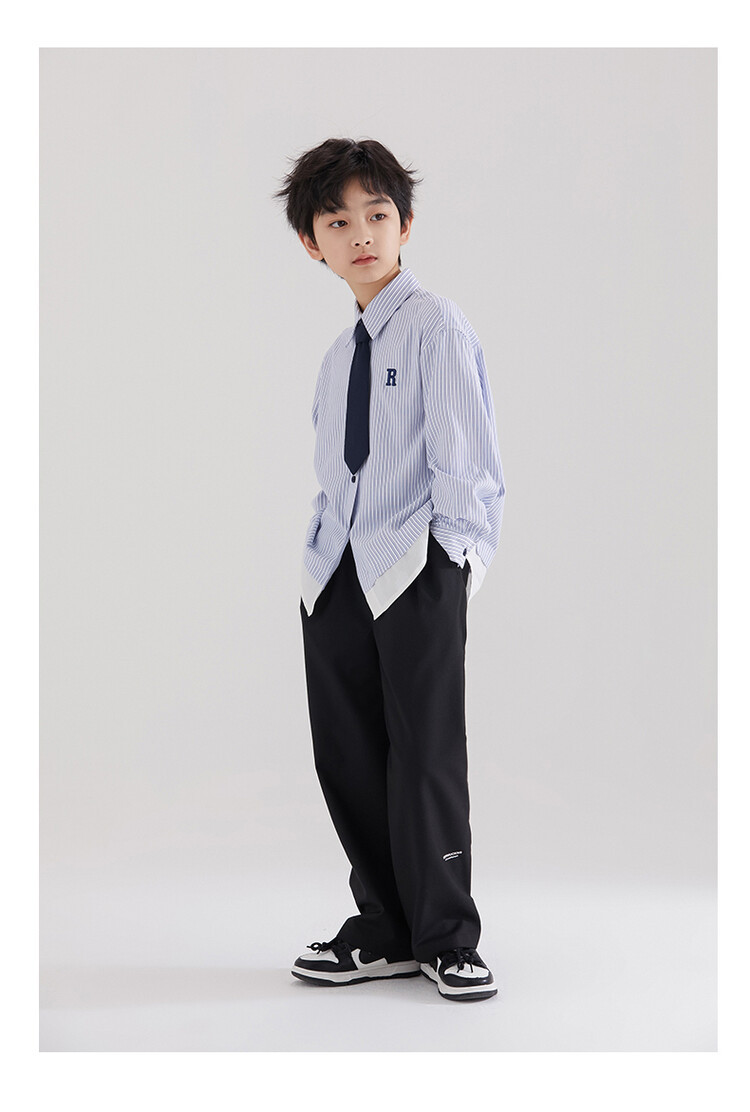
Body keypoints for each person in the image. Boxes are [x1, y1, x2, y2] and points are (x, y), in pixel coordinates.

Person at [273, 137, 506, 1002]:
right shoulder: (340, 356)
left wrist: (453, 567)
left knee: (426, 752)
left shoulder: (436, 324)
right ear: (313, 244)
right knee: (348, 755)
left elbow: (466, 462)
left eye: (377, 214)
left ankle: (447, 934)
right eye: (338, 222)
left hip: (415, 566)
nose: (361, 233)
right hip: (336, 573)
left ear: (405, 224)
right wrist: (315, 570)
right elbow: (337, 473)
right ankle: (387, 926)